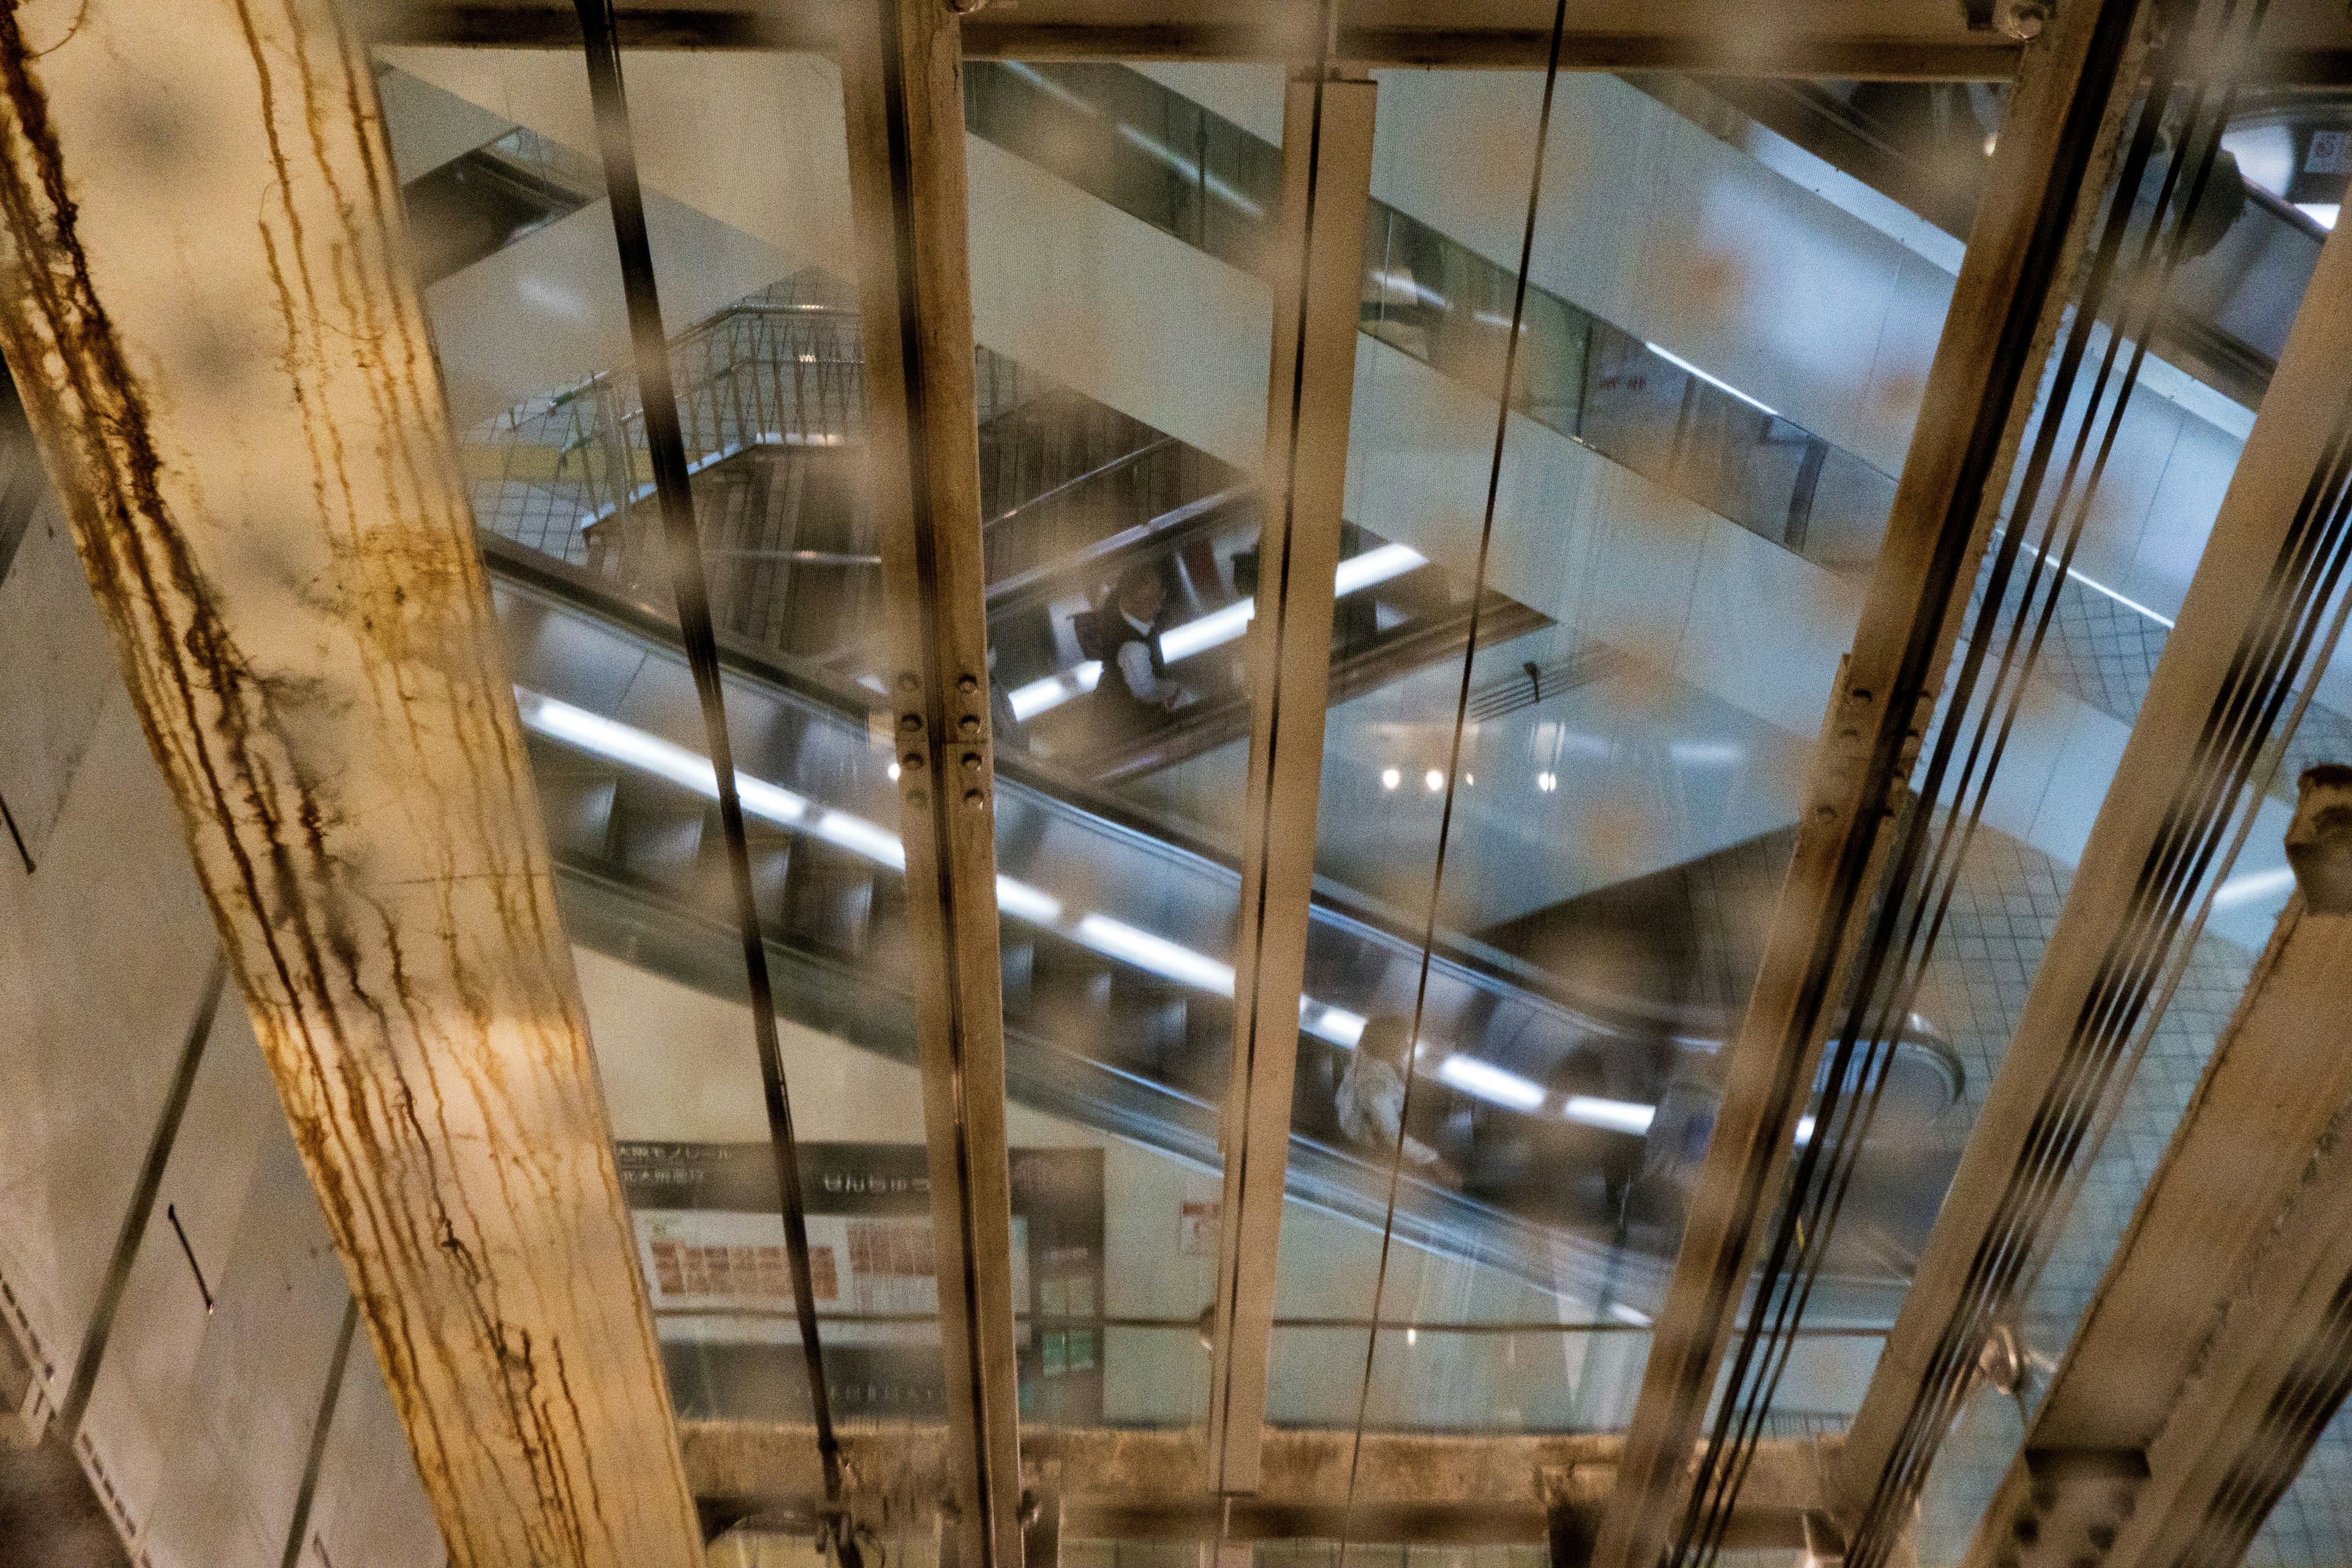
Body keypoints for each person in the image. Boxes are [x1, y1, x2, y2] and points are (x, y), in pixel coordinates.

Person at [1336, 1014, 1450, 1178]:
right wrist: (1436, 1162)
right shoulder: (1377, 1084)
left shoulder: (1369, 1057)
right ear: (1386, 1044)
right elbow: (1392, 1135)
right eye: (1401, 1040)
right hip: (1369, 1154)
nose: (1406, 1045)